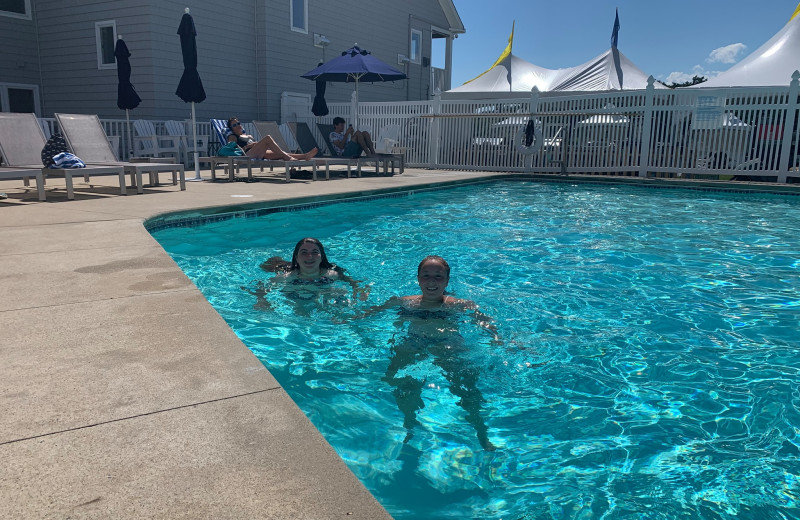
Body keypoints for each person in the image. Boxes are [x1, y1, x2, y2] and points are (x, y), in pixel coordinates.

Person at [355, 255, 498, 451]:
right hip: (414, 344)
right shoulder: (404, 302)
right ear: (418, 278)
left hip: (448, 345)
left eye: (438, 276)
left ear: (447, 280)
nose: (431, 281)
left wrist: (498, 340)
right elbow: (367, 313)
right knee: (399, 382)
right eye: (426, 275)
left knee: (466, 388)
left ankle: (480, 431)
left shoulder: (459, 305)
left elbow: (487, 324)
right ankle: (409, 422)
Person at [243, 238, 369, 311]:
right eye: (304, 252)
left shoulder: (333, 274)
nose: (310, 256)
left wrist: (360, 289)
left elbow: (356, 282)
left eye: (315, 252)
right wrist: (262, 300)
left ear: (321, 257)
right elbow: (260, 288)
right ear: (296, 257)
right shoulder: (285, 277)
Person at [226, 117, 317, 160]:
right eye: (234, 125)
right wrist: (249, 146)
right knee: (268, 138)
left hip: (259, 152)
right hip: (247, 154)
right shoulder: (233, 136)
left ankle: (305, 156)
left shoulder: (249, 136)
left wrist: (256, 145)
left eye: (238, 123)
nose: (237, 126)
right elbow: (232, 150)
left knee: (281, 153)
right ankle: (288, 158)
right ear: (231, 128)